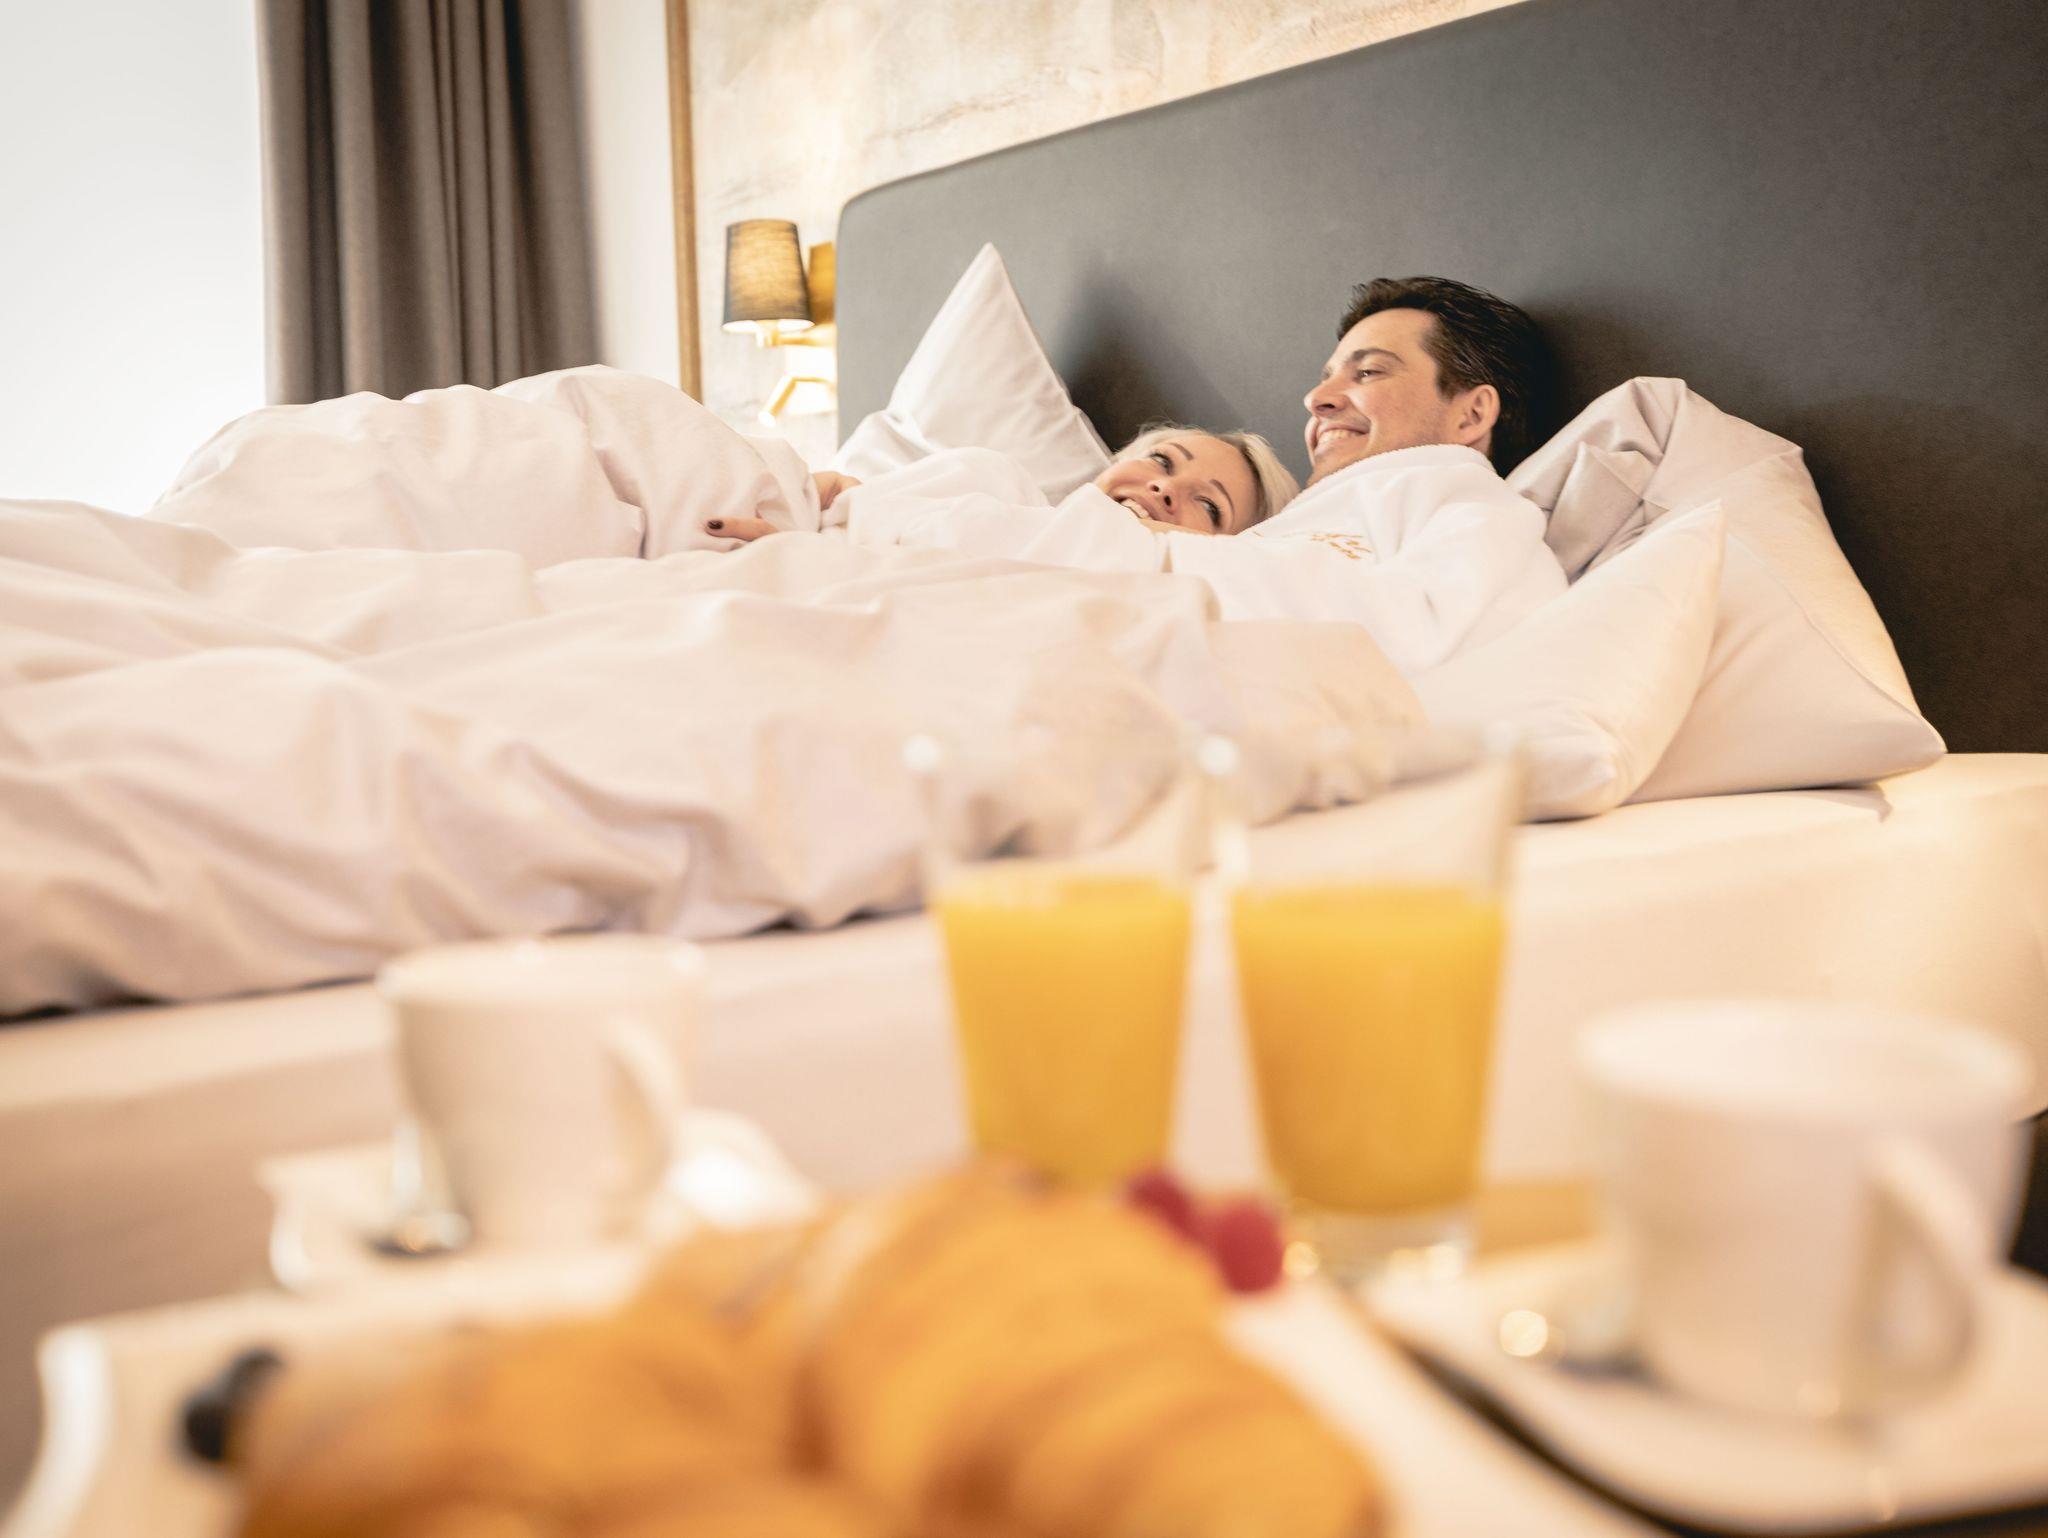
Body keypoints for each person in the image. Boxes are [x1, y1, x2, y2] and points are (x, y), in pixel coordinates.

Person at [719, 276, 1565, 679]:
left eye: (1368, 372)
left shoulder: (1466, 507)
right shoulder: (1297, 534)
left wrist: (859, 536)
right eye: (1326, 375)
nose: (1317, 397)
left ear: (1471, 413)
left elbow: (1430, 644)